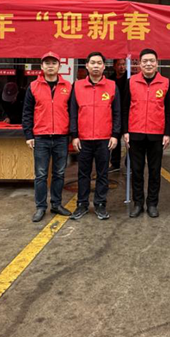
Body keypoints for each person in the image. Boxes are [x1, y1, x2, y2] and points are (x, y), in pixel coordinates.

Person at [122, 48, 170, 218]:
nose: (148, 64)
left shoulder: (165, 83)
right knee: (136, 171)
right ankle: (138, 203)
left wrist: (167, 133)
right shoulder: (131, 82)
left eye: (152, 61)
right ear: (140, 64)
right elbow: (125, 108)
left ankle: (152, 204)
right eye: (145, 61)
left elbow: (169, 110)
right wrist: (125, 131)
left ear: (157, 63)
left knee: (154, 171)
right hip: (135, 132)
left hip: (156, 134)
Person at [22, 52, 73, 223]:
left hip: (61, 137)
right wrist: (29, 135)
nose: (50, 66)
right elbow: (27, 113)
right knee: (41, 174)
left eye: (54, 63)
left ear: (59, 66)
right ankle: (40, 207)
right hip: (41, 137)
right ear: (42, 66)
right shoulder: (33, 87)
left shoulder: (68, 86)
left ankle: (56, 204)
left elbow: (72, 112)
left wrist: (72, 134)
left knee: (59, 173)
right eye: (47, 63)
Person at [69, 52, 121, 220]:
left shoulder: (112, 86)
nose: (96, 66)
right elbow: (73, 112)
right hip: (83, 138)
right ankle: (82, 204)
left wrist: (115, 135)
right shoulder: (77, 86)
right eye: (93, 63)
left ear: (104, 66)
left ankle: (100, 204)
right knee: (83, 173)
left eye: (99, 63)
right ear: (87, 65)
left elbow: (117, 113)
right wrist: (74, 135)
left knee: (102, 173)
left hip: (104, 138)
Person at [109, 58, 128, 173]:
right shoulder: (110, 79)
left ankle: (129, 164)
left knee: (129, 140)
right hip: (114, 112)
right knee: (115, 137)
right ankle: (115, 163)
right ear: (114, 66)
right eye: (119, 64)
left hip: (127, 112)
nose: (122, 67)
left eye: (124, 64)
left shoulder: (129, 78)